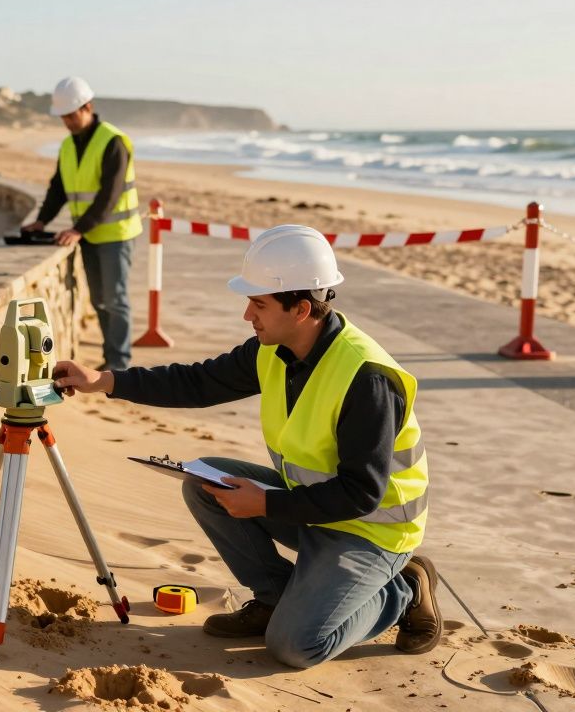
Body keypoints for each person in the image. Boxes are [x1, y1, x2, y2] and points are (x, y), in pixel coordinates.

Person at [52, 225, 442, 669]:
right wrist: (103, 381)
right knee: (204, 484)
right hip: (313, 510)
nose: (247, 315)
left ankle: (403, 590)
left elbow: (362, 493)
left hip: (374, 531)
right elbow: (197, 381)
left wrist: (267, 503)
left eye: (258, 304)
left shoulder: (367, 378)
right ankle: (275, 597)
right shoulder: (273, 349)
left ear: (299, 309)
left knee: (296, 646)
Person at [23, 76, 140, 370]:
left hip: (115, 235)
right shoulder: (67, 146)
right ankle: (111, 358)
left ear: (88, 107)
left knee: (115, 300)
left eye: (71, 115)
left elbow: (109, 195)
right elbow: (58, 187)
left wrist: (77, 229)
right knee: (100, 301)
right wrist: (41, 221)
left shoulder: (114, 142)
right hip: (89, 234)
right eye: (63, 117)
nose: (67, 122)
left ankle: (120, 363)